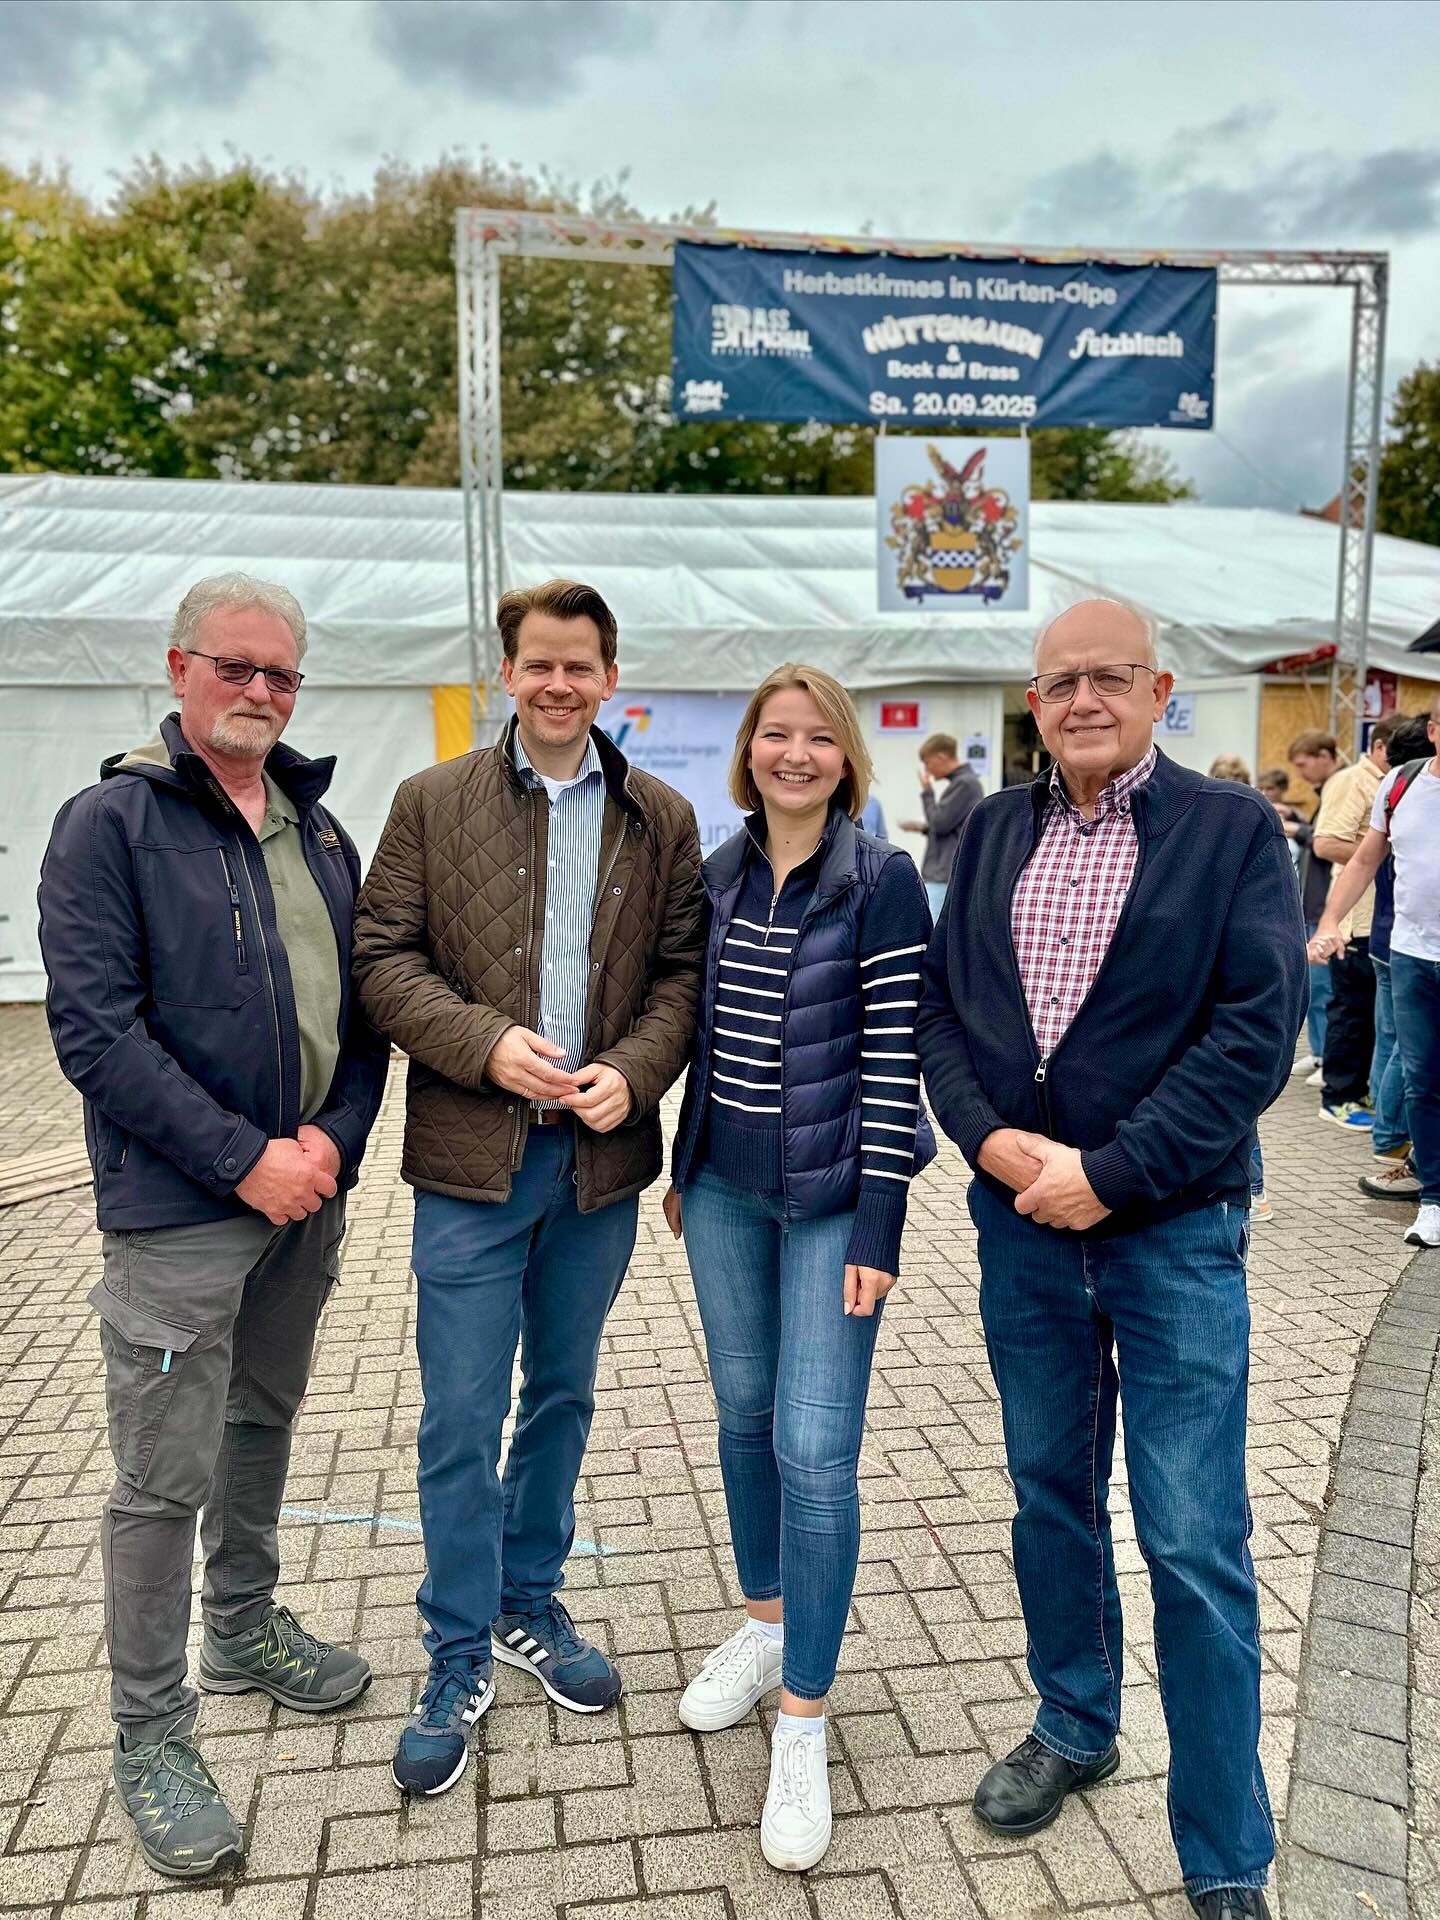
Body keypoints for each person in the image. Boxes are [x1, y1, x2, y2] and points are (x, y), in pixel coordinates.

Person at [918, 599, 1306, 1920]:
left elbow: (1255, 1035)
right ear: (1035, 703)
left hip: (1173, 1236)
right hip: (1024, 1235)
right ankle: (1076, 1723)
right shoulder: (992, 831)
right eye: (1061, 682)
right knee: (1050, 1497)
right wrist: (989, 1142)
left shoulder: (1231, 831)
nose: (1083, 699)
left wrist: (1113, 1173)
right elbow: (942, 1011)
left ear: (1158, 690)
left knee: (1192, 1538)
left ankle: (1226, 1847)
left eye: (1110, 677)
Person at [36, 573, 389, 1878]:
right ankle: (151, 1735)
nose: (258, 691)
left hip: (306, 1196)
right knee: (159, 1478)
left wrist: (332, 1144)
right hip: (183, 1212)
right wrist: (244, 1161)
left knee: (260, 1421)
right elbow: (94, 1034)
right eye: (234, 665)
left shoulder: (320, 831)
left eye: (280, 674)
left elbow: (365, 1017)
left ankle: (242, 1629)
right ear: (179, 666)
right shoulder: (109, 826)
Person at [352, 578, 704, 1797]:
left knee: (560, 1393)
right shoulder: (431, 800)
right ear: (507, 672)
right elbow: (381, 958)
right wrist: (482, 1043)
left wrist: (635, 1072)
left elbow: (681, 976)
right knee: (460, 1413)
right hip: (471, 1162)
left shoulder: (659, 817)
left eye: (580, 666)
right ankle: (454, 1648)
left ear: (611, 677)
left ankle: (527, 1599)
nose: (559, 685)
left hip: (595, 1165)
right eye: (539, 664)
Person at [662, 663, 933, 1872]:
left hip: (830, 1207)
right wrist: (686, 1162)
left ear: (846, 758)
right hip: (723, 1192)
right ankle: (766, 1626)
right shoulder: (715, 877)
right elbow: (703, 1038)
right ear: (748, 751)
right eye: (776, 734)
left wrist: (880, 1228)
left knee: (814, 1453)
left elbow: (893, 1060)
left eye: (819, 737)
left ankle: (805, 1721)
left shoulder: (881, 882)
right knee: (743, 1415)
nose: (796, 754)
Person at [1310, 695, 1440, 1249]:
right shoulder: (1401, 783)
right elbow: (1365, 858)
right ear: (1433, 731)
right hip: (1410, 955)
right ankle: (1433, 1199)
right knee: (1422, 1080)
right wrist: (1329, 920)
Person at [1311, 712, 1408, 1128]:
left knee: (1368, 1017)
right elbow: (1326, 843)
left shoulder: (1392, 780)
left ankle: (1359, 1091)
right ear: (1379, 746)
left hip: (1379, 918)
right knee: (1350, 1012)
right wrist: (1386, 851)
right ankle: (1339, 1097)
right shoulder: (1353, 780)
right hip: (1356, 918)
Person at [1355, 712, 1431, 1204]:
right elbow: (1364, 860)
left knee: (1398, 1045)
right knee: (1406, 1051)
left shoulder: (1398, 794)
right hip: (1400, 945)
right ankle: (1395, 1140)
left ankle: (1394, 1139)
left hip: (1391, 940)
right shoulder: (1402, 793)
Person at [1208, 757, 1274, 1222]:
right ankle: (1256, 1186)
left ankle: (1254, 1185)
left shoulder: (1247, 827)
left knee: (1236, 1105)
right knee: (1240, 1111)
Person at [1287, 729, 1342, 1079]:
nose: (1300, 774)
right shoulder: (1324, 793)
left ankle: (1327, 1057)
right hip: (1312, 903)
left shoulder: (1339, 789)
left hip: (1323, 906)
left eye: (1303, 764)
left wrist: (1296, 830)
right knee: (1314, 987)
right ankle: (1320, 1052)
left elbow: (1326, 841)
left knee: (1323, 988)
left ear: (1325, 756)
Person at [898, 731, 982, 917]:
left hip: (943, 875)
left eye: (928, 763)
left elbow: (939, 824)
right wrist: (924, 828)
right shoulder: (964, 783)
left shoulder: (965, 784)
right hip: (944, 873)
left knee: (933, 927)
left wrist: (927, 792)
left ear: (941, 757)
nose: (927, 770)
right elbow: (951, 825)